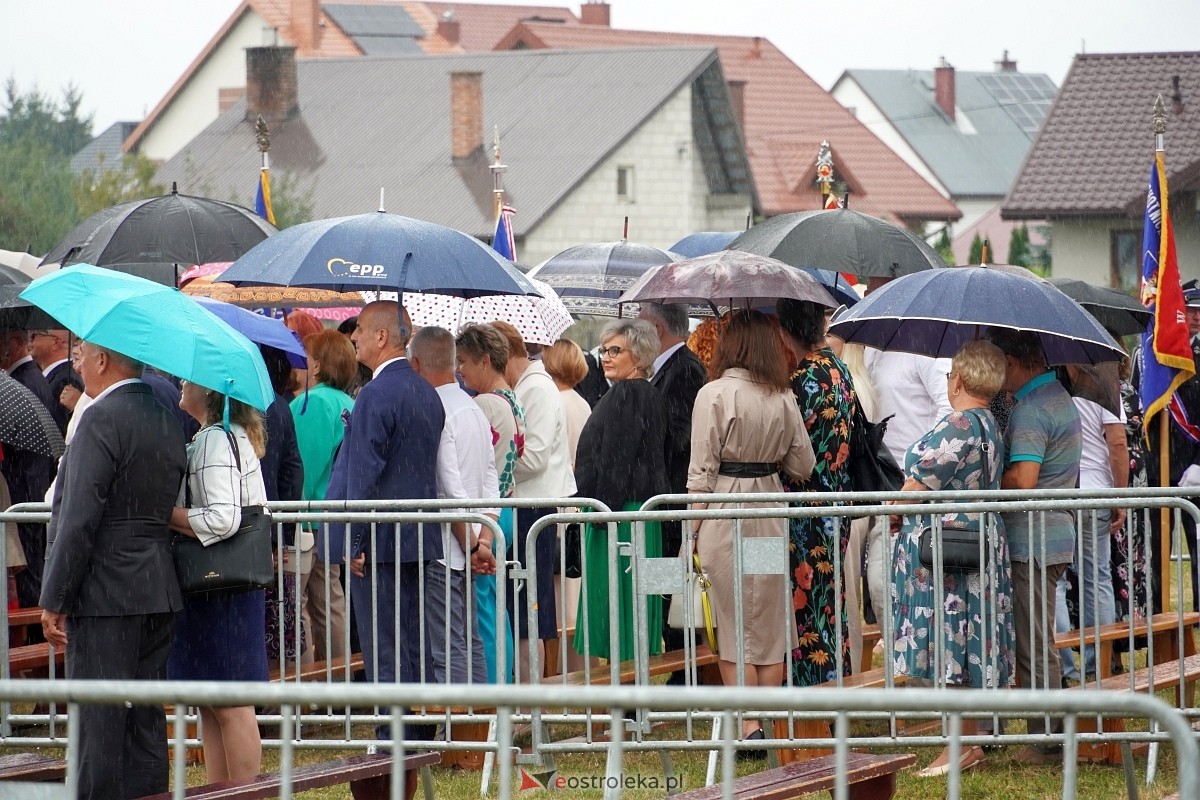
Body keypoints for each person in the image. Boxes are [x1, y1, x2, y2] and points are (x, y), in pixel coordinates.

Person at [40, 341, 186, 799]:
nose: (77, 361)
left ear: (103, 361)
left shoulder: (101, 417)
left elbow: (79, 517)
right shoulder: (166, 416)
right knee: (144, 726)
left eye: (82, 353)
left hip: (105, 593)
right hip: (155, 585)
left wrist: (54, 596)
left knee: (98, 729)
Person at [687, 310, 815, 748]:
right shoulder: (784, 397)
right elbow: (804, 464)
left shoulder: (713, 394)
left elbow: (701, 471)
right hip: (769, 512)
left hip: (725, 511)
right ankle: (767, 718)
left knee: (731, 619)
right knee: (768, 621)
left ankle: (746, 724)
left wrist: (691, 532)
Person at [889, 340, 1015, 778]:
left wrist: (891, 509)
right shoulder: (989, 425)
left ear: (958, 380)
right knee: (968, 643)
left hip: (946, 558)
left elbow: (919, 481)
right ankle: (970, 742)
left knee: (950, 645)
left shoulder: (959, 423)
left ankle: (955, 746)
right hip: (974, 547)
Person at [327, 301, 443, 738]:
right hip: (414, 538)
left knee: (385, 647)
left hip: (379, 542)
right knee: (412, 643)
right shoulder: (425, 390)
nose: (352, 337)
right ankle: (414, 734)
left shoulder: (376, 394)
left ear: (381, 337)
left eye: (358, 329)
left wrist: (354, 542)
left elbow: (366, 473)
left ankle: (395, 741)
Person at [168, 382, 269, 782]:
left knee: (228, 704)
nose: (181, 383)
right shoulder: (226, 435)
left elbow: (223, 519)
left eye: (189, 379)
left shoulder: (214, 438)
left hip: (221, 590)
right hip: (223, 588)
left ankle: (240, 793)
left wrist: (167, 514)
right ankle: (221, 792)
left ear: (209, 392)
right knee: (213, 704)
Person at [989, 327, 1082, 764]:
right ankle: (1049, 731)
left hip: (1033, 539)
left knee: (1033, 643)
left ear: (1013, 361)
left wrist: (988, 479)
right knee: (1039, 638)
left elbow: (1024, 479)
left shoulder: (1030, 409)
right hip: (1052, 535)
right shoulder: (1059, 398)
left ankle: (1044, 739)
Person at [572, 319, 670, 663]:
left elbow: (617, 459)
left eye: (616, 350)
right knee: (629, 607)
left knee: (617, 606)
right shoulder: (647, 393)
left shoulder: (628, 393)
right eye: (604, 350)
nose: (607, 358)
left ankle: (624, 698)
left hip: (619, 515)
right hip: (635, 512)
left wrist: (601, 513)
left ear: (640, 356)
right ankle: (627, 694)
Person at [410, 326, 497, 685]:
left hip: (448, 546)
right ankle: (474, 728)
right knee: (467, 638)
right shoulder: (472, 407)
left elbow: (449, 489)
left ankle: (459, 731)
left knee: (448, 645)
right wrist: (483, 538)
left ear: (416, 364)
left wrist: (474, 543)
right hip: (469, 538)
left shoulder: (437, 408)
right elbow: (492, 479)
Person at [777, 298, 857, 685]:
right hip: (835, 500)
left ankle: (811, 687)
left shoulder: (800, 379)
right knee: (831, 597)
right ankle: (835, 682)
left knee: (805, 600)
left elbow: (790, 446)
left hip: (803, 504)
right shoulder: (839, 370)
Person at [491, 320, 576, 678]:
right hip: (524, 504)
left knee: (531, 605)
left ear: (506, 355)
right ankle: (526, 692)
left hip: (533, 506)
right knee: (522, 602)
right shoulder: (527, 385)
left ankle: (531, 699)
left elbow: (535, 454)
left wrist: (493, 467)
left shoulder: (537, 388)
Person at [638, 302, 706, 677]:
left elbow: (681, 437)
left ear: (659, 330)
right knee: (668, 594)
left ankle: (687, 671)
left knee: (678, 596)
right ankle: (682, 668)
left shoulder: (683, 371)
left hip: (676, 495)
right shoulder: (670, 369)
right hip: (668, 497)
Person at [455, 323, 523, 683]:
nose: (460, 369)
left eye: (464, 361)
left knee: (483, 612)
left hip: (486, 515)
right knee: (496, 609)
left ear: (485, 360)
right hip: (505, 507)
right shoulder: (512, 398)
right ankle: (504, 687)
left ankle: (493, 691)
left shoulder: (481, 404)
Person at [1055, 363, 1128, 684]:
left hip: (1059, 488)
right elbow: (1117, 443)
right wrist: (1120, 495)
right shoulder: (1105, 384)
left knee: (1053, 579)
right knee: (1095, 576)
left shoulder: (1051, 381)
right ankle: (1096, 663)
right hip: (1095, 488)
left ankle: (1063, 666)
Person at [291, 329, 355, 664]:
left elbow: (304, 465)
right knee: (329, 602)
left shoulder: (312, 403)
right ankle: (338, 686)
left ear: (316, 366)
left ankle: (303, 688)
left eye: (305, 357)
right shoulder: (349, 403)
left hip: (308, 518)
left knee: (297, 603)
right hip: (333, 516)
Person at [1135, 285, 1200, 611]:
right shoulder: (1148, 354)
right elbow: (1138, 409)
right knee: (1157, 549)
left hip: (1194, 467)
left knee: (1199, 548)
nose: (1196, 317)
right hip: (1158, 462)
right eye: (1190, 310)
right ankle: (1158, 617)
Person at [2, 329, 58, 608]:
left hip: (23, 491)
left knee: (29, 574)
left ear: (12, 343)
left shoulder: (23, 381)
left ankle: (32, 635)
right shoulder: (27, 378)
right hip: (29, 488)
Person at [258, 345, 306, 668]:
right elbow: (293, 472)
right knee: (273, 616)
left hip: (234, 527)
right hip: (268, 527)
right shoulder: (281, 407)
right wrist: (283, 535)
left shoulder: (232, 402)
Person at [541, 338, 592, 638]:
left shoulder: (555, 402)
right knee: (571, 585)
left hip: (560, 495)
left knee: (560, 585)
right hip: (575, 497)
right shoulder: (582, 402)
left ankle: (561, 657)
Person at [30, 328, 81, 428]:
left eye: (34, 335)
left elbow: (61, 430)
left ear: (56, 343)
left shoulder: (65, 380)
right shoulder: (58, 376)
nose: (30, 341)